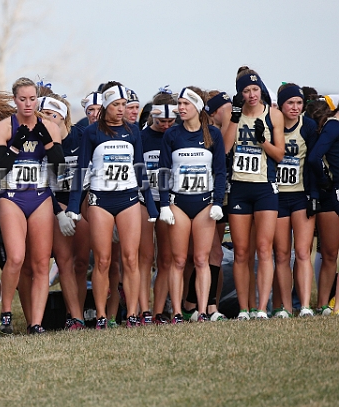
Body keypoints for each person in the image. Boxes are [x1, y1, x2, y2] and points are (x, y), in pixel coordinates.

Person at [66, 83, 158, 329]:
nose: (121, 109)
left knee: (130, 259)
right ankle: (101, 316)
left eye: (124, 105)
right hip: (100, 200)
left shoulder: (133, 131)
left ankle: (132, 315)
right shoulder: (92, 132)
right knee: (103, 261)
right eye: (116, 105)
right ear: (106, 106)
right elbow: (81, 170)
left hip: (128, 198)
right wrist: (73, 206)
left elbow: (140, 169)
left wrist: (151, 207)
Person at [0, 77, 64, 334]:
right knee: (16, 257)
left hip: (40, 195)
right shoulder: (4, 127)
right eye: (22, 99)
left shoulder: (50, 127)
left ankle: (36, 322)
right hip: (12, 195)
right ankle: (7, 313)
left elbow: (59, 169)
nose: (28, 104)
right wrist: (14, 145)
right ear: (15, 100)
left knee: (42, 263)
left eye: (32, 99)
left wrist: (46, 141)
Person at [157, 87, 226, 324]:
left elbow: (220, 171)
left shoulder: (213, 135)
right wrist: (164, 204)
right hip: (179, 203)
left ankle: (203, 311)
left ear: (197, 106)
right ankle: (177, 312)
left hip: (205, 203)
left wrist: (218, 202)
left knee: (201, 259)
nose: (181, 108)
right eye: (180, 103)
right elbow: (164, 171)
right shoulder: (172, 135)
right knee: (178, 260)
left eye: (186, 103)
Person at [224, 68, 284, 320]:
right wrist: (236, 117)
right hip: (239, 187)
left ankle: (261, 308)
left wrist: (263, 141)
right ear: (240, 93)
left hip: (264, 187)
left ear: (261, 90)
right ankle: (244, 309)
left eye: (255, 89)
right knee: (240, 251)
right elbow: (225, 149)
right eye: (246, 90)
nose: (251, 95)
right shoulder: (233, 114)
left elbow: (280, 155)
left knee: (263, 247)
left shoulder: (274, 115)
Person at [39, 94, 88, 330]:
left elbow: (88, 176)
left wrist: (77, 207)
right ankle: (75, 317)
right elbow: (41, 182)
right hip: (54, 203)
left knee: (81, 263)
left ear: (63, 117)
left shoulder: (80, 136)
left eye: (52, 115)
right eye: (43, 115)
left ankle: (87, 312)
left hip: (82, 202)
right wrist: (58, 211)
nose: (47, 120)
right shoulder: (39, 142)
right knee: (64, 261)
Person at [272, 84, 318, 318]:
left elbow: (313, 161)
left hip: (301, 195)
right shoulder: (273, 125)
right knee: (281, 254)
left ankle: (306, 306)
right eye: (290, 102)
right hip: (278, 197)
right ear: (281, 104)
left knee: (302, 252)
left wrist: (314, 195)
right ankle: (285, 308)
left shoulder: (308, 126)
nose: (295, 107)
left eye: (299, 103)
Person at [139, 88, 176, 324]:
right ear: (152, 116)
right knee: (145, 257)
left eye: (171, 121)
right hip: (144, 200)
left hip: (168, 201)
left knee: (165, 259)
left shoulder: (177, 136)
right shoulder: (141, 137)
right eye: (162, 121)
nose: (166, 125)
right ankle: (143, 310)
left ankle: (158, 312)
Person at [308, 97, 339, 315]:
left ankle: (327, 306)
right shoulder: (333, 125)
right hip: (333, 195)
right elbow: (314, 157)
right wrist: (324, 179)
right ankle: (324, 305)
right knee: (329, 254)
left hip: (331, 195)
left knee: (329, 255)